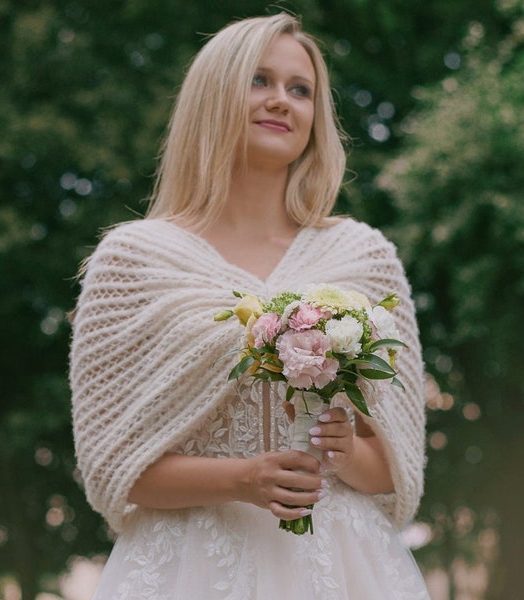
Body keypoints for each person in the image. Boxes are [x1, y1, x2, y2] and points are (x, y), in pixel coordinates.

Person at [69, 12, 430, 599]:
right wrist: (241, 479)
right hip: (187, 568)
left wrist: (346, 455)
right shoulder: (132, 261)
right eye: (259, 81)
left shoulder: (365, 257)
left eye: (300, 89)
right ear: (213, 98)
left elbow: (396, 467)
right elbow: (113, 470)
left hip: (342, 568)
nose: (281, 101)